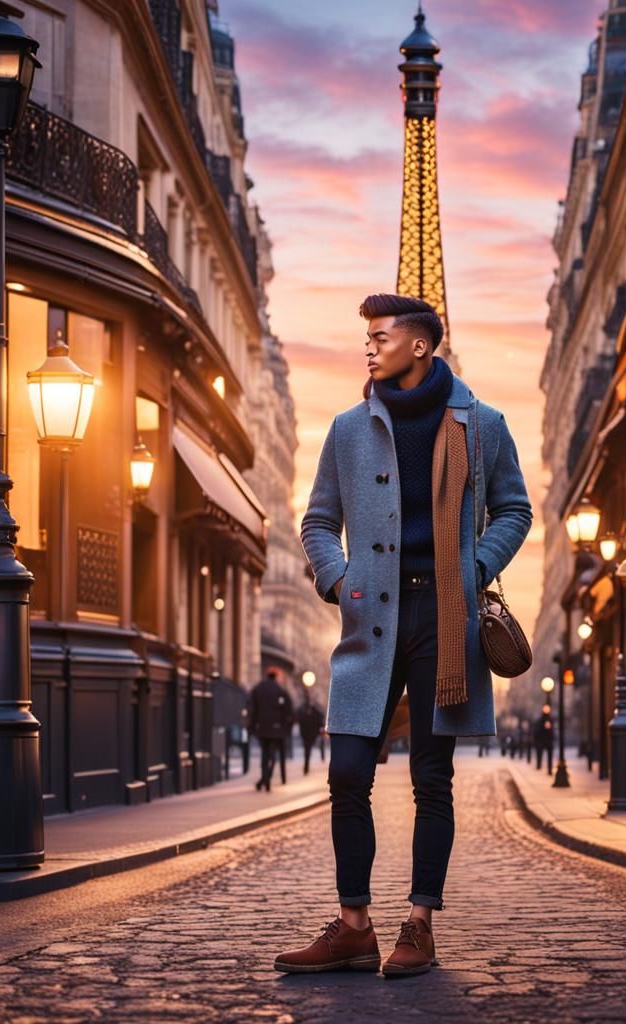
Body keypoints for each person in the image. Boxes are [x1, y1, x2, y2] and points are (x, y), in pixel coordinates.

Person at [277, 294, 532, 978]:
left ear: (418, 346)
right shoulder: (348, 428)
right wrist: (338, 581)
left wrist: (474, 567)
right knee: (347, 774)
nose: (368, 346)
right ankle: (354, 926)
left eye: (380, 336)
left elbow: (515, 508)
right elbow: (317, 521)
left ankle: (418, 925)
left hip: (444, 618)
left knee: (431, 778)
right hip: (370, 618)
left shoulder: (483, 425)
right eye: (367, 336)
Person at [247, 669, 293, 793]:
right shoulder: (280, 691)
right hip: (276, 728)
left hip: (261, 727)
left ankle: (264, 779)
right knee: (272, 755)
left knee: (264, 755)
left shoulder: (258, 689)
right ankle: (266, 779)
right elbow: (287, 711)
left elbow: (252, 709)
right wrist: (286, 727)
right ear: (275, 677)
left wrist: (251, 727)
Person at [297, 694, 326, 775]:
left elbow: (320, 719)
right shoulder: (303, 709)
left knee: (308, 750)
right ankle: (306, 767)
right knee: (307, 750)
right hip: (307, 733)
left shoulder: (315, 710)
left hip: (310, 733)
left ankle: (307, 767)